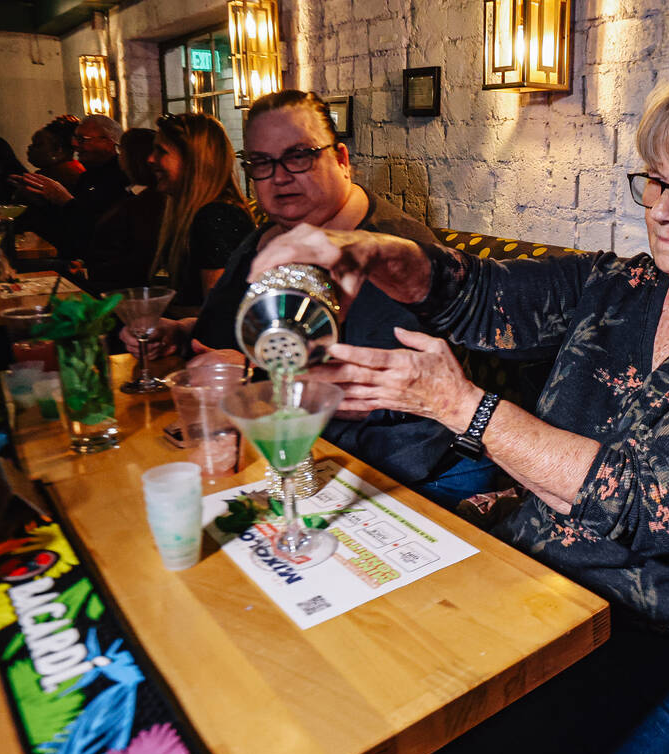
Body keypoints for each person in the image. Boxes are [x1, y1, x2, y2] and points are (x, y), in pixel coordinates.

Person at [250, 50, 669, 754]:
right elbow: (472, 294)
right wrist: (368, 251)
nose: (662, 209)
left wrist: (462, 407)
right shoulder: (622, 286)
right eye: (657, 180)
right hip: (558, 583)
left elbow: (654, 506)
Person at [128, 90, 501, 506]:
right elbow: (244, 330)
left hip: (403, 477)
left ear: (341, 159)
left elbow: (384, 392)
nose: (279, 176)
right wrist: (180, 332)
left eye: (299, 155)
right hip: (289, 455)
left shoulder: (391, 251)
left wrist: (251, 375)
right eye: (261, 163)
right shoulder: (264, 239)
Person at [147, 113, 254, 312]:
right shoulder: (201, 213)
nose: (151, 159)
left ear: (193, 160)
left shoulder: (216, 216)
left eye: (161, 151)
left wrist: (157, 315)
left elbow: (219, 311)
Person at [12, 114, 128, 259]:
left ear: (109, 142)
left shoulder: (121, 176)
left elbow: (101, 227)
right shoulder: (88, 175)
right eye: (75, 138)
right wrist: (41, 199)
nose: (74, 144)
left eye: (82, 139)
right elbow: (67, 222)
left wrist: (65, 200)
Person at [83, 127, 165, 293]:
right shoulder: (130, 194)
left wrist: (89, 272)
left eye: (121, 151)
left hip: (121, 290)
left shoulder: (147, 203)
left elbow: (138, 259)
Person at [25, 115, 84, 191]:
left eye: (38, 144)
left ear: (58, 150)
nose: (30, 147)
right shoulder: (71, 170)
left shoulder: (61, 176)